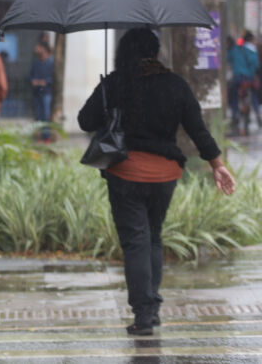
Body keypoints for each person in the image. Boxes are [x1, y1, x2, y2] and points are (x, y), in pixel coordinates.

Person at [78, 28, 236, 336]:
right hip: (165, 175)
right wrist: (217, 164)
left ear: (123, 52)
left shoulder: (115, 83)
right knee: (152, 237)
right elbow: (197, 130)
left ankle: (145, 315)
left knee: (136, 241)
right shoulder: (176, 85)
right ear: (156, 52)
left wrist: (109, 103)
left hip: (125, 172)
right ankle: (151, 306)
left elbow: (85, 121)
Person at [227, 32, 261, 130]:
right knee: (254, 94)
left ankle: (235, 114)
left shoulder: (234, 49)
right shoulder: (251, 50)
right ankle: (258, 113)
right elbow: (255, 64)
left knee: (233, 95)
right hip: (249, 78)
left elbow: (228, 59)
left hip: (237, 78)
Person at [30, 39, 54, 141]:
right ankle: (40, 137)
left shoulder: (51, 62)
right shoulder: (36, 62)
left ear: (43, 49)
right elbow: (30, 75)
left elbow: (54, 78)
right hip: (37, 93)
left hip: (46, 93)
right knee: (39, 116)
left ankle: (46, 138)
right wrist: (33, 81)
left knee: (46, 116)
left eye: (38, 47)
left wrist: (46, 82)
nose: (36, 49)